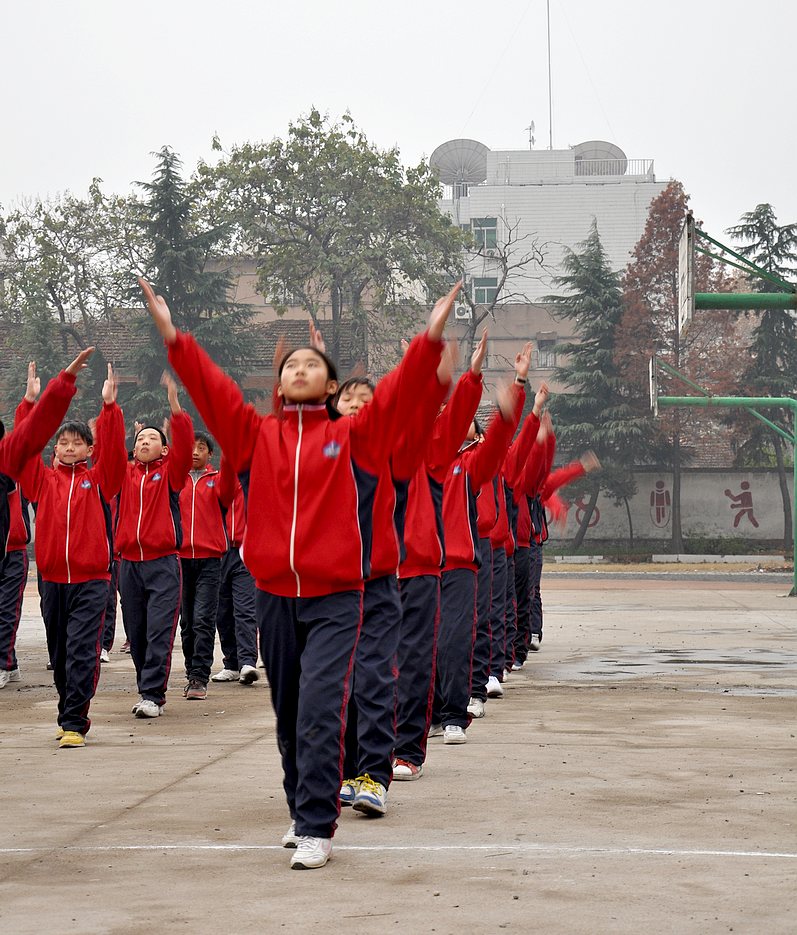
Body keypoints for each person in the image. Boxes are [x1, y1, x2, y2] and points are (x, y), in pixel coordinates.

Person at [140, 277, 454, 870]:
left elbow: (398, 396)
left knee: (318, 709)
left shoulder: (354, 438)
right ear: (280, 383)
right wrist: (173, 336)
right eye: (292, 366)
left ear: (331, 386)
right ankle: (300, 808)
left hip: (338, 597)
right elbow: (212, 391)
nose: (300, 370)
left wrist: (430, 337)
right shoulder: (256, 435)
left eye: (313, 365)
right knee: (289, 713)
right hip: (274, 595)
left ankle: (316, 824)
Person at [11, 364, 126, 747]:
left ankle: (75, 720)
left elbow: (113, 456)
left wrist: (110, 409)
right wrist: (29, 404)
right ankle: (68, 710)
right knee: (59, 653)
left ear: (89, 449)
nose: (71, 448)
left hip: (93, 580)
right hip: (52, 580)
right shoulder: (41, 480)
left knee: (81, 650)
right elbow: (24, 447)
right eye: (64, 443)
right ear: (55, 448)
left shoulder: (99, 480)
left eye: (78, 443)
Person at [431, 343, 531, 744]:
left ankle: (455, 714)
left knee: (455, 639)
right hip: (414, 565)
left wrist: (516, 394)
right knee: (421, 646)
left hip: (458, 562)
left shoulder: (467, 464)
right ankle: (428, 717)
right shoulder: (412, 461)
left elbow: (500, 447)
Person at [115, 376, 193, 719]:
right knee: (136, 631)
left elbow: (186, 443)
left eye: (152, 438)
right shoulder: (125, 474)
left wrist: (176, 408)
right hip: (128, 564)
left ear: (164, 449)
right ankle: (145, 686)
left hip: (163, 564)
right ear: (133, 448)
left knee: (160, 630)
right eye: (140, 438)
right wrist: (110, 407)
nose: (145, 441)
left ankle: (152, 695)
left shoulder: (171, 474)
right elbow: (106, 447)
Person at [178, 431, 228, 701]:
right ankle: (190, 672)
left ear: (210, 454)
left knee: (203, 620)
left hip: (210, 559)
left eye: (201, 448)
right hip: (181, 559)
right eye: (190, 447)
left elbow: (232, 485)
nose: (195, 451)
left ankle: (200, 675)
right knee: (186, 623)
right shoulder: (176, 481)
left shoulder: (217, 480)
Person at [211, 455, 260, 686]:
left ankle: (248, 661)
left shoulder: (260, 478)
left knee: (244, 608)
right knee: (223, 611)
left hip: (246, 551)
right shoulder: (224, 480)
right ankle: (231, 662)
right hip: (221, 551)